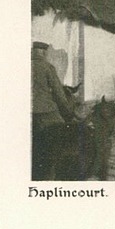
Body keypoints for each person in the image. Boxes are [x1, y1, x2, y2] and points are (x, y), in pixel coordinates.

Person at [31, 42, 75, 180]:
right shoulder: (47, 67)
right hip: (45, 111)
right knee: (63, 132)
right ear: (44, 52)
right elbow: (59, 93)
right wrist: (68, 112)